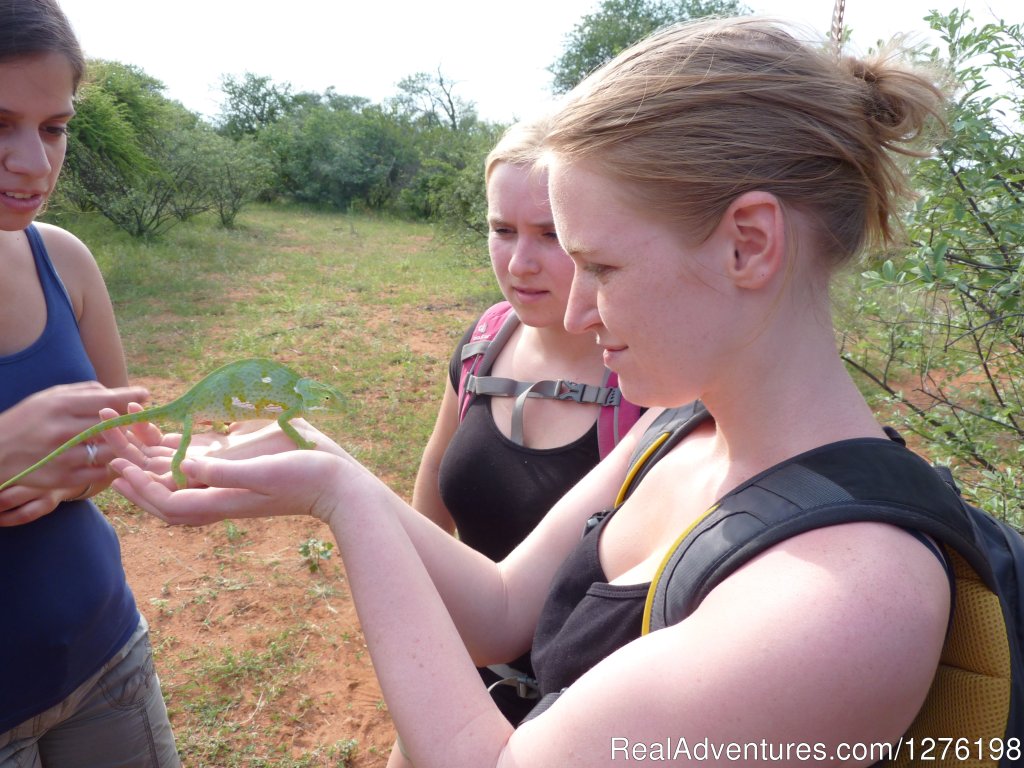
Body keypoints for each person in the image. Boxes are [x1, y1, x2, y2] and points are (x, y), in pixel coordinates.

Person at [109, 16, 951, 766]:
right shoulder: (684, 425)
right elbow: (507, 609)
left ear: (749, 244)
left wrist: (348, 508)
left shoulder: (848, 596)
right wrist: (334, 477)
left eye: (602, 265)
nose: (578, 307)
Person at [404, 117, 641, 734]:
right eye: (501, 230)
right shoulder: (487, 339)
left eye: (550, 235)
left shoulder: (652, 384)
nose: (520, 262)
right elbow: (437, 471)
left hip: (581, 714)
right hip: (461, 677)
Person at [0, 1, 180, 765]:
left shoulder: (62, 260)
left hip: (108, 661)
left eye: (54, 127)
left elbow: (112, 445)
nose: (34, 164)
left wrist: (89, 468)